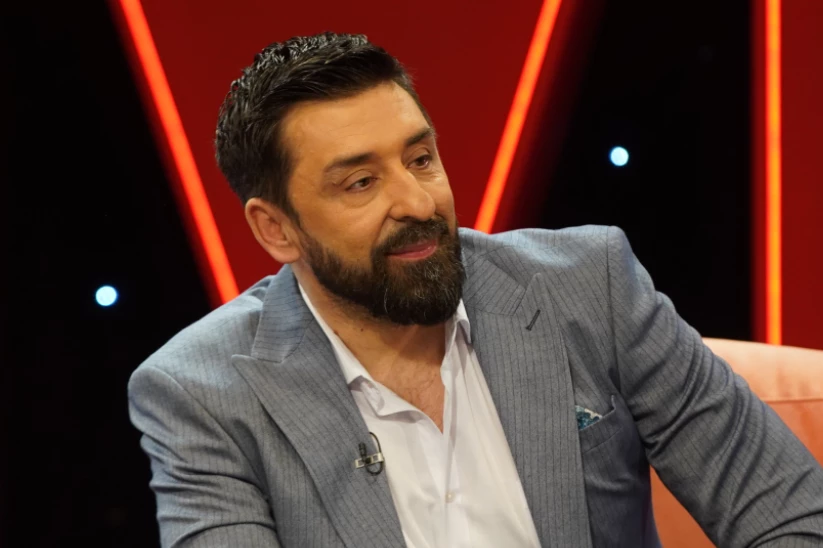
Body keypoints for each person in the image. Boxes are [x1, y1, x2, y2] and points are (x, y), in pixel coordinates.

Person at [128, 32, 823, 548]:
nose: (417, 201)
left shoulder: (592, 287)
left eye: (420, 158)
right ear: (275, 228)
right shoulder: (202, 394)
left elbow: (791, 516)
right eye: (361, 182)